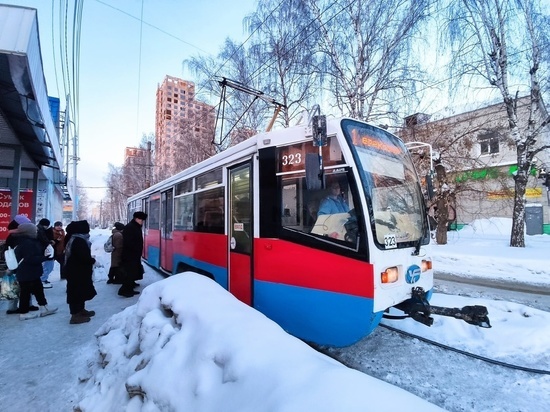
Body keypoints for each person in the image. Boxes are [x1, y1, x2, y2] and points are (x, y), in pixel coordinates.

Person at [12, 223, 58, 320]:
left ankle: (44, 307)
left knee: (38, 289)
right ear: (29, 232)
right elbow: (30, 258)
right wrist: (44, 258)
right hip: (27, 271)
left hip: (30, 271)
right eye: (35, 230)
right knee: (25, 292)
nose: (36, 231)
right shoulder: (28, 242)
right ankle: (23, 313)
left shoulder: (26, 241)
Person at [64, 220, 97, 324]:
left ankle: (80, 310)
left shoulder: (75, 238)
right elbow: (83, 257)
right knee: (76, 292)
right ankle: (75, 315)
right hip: (77, 271)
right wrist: (92, 260)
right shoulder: (79, 240)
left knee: (80, 291)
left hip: (77, 270)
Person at [118, 211, 147, 298]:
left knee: (133, 271)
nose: (142, 221)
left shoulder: (134, 226)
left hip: (133, 254)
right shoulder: (131, 227)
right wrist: (135, 249)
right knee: (129, 272)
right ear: (136, 219)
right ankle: (125, 290)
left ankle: (131, 284)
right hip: (130, 254)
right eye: (141, 220)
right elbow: (129, 242)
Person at [37, 218, 55, 288]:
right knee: (46, 266)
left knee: (45, 266)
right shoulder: (40, 230)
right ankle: (42, 280)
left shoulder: (39, 229)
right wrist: (50, 242)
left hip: (41, 250)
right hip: (42, 250)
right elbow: (43, 239)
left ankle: (43, 279)